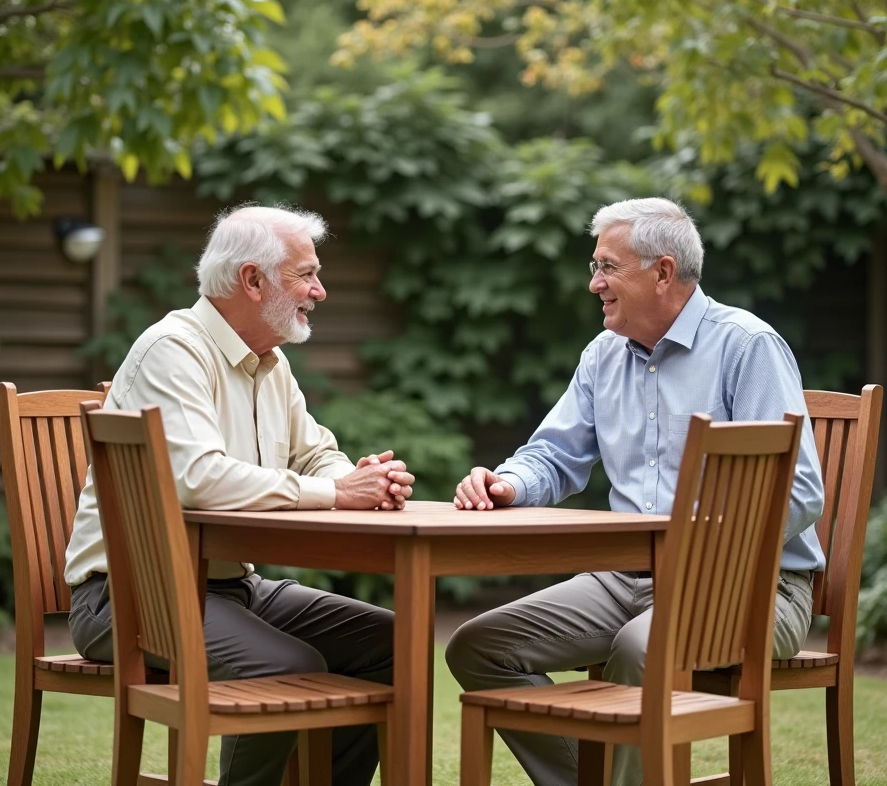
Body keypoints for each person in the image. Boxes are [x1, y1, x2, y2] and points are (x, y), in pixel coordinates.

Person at [446, 197, 825, 786]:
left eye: (606, 267)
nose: (594, 283)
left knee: (639, 648)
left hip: (750, 584)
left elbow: (799, 489)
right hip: (628, 578)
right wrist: (508, 484)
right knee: (479, 647)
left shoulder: (747, 345)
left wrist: (699, 542)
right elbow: (553, 455)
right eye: (594, 267)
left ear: (663, 273)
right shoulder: (602, 356)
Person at [63, 204, 411, 786]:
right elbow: (198, 478)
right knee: (285, 665)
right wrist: (334, 492)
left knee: (392, 640)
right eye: (306, 275)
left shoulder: (271, 363)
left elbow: (315, 451)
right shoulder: (172, 351)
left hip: (232, 589)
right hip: (126, 598)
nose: (320, 291)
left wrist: (359, 480)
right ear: (253, 280)